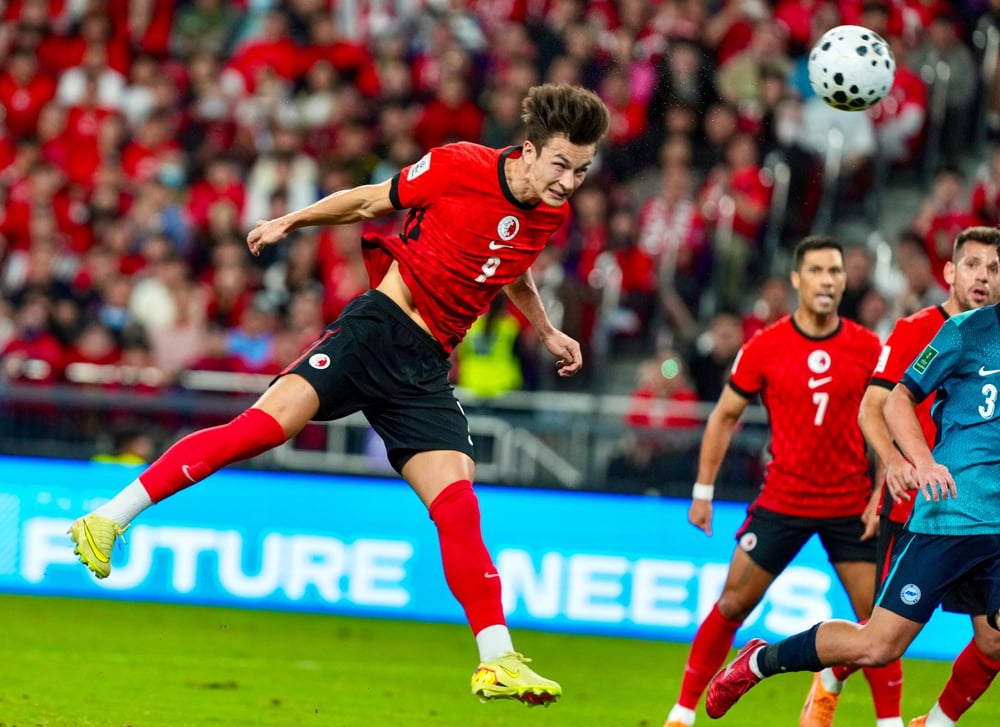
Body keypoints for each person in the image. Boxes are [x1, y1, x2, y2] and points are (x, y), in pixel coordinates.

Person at [67, 83, 610, 707]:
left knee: (458, 500)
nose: (570, 181)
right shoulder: (461, 165)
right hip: (377, 328)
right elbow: (369, 202)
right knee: (263, 429)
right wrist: (290, 220)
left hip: (426, 368)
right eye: (562, 164)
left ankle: (497, 661)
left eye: (583, 169)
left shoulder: (550, 212)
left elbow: (508, 266)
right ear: (528, 151)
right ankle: (107, 519)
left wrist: (544, 329)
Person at [705, 282, 1000, 725]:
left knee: (994, 642)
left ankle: (935, 723)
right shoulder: (964, 332)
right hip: (950, 517)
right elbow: (897, 399)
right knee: (879, 645)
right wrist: (919, 461)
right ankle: (761, 660)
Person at [662, 235, 892, 727]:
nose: (827, 281)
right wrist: (704, 491)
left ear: (845, 281)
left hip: (850, 503)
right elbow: (724, 416)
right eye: (816, 271)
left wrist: (880, 491)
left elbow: (885, 422)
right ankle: (682, 713)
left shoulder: (869, 346)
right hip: (783, 498)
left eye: (835, 271)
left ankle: (881, 717)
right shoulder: (765, 346)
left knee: (881, 623)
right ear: (796, 280)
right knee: (731, 603)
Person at [802, 227, 1000, 726]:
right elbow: (875, 407)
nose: (982, 278)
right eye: (972, 266)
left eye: (993, 269)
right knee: (881, 635)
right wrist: (893, 466)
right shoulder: (917, 329)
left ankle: (934, 722)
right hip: (915, 503)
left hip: (978, 510)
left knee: (994, 639)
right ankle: (831, 679)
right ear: (950, 273)